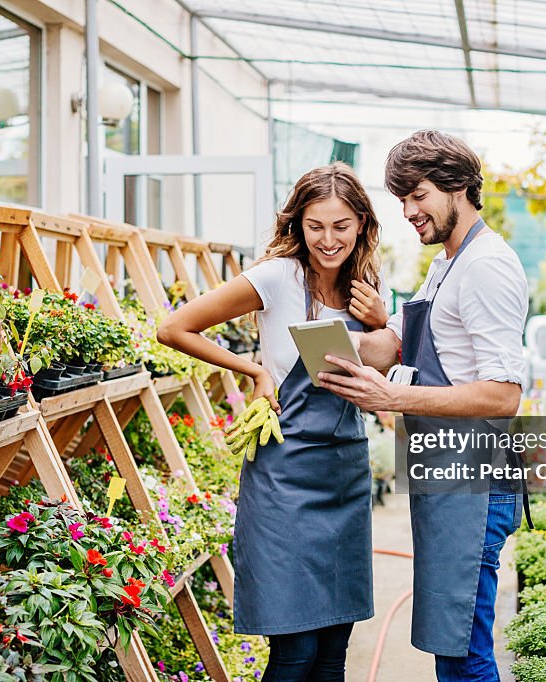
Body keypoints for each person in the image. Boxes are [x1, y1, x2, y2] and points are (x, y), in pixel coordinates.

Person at [157, 162, 390, 681]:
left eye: (341, 226)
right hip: (286, 476)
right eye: (316, 226)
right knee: (297, 652)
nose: (328, 240)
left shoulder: (367, 287)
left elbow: (390, 364)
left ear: (362, 226)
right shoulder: (275, 276)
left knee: (333, 650)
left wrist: (382, 321)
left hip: (345, 473)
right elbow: (174, 328)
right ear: (297, 224)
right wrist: (254, 368)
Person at [318, 131, 529, 681]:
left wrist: (393, 396)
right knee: (449, 642)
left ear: (458, 185)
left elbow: (504, 395)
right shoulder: (448, 262)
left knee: (463, 654)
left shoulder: (486, 265)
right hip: (446, 474)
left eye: (418, 195)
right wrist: (339, 340)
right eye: (402, 199)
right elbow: (401, 344)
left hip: (475, 483)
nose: (409, 211)